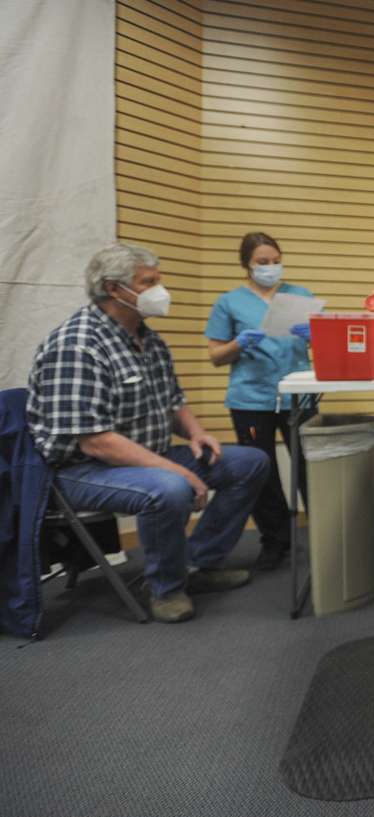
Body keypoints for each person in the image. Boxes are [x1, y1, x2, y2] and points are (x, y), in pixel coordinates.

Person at [26, 243, 268, 623]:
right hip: (82, 470)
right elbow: (95, 440)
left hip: (146, 454)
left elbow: (172, 401)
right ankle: (164, 588)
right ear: (113, 288)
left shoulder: (148, 338)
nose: (160, 291)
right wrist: (177, 471)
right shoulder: (76, 345)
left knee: (249, 463)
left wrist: (196, 433)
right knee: (169, 489)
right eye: (149, 282)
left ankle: (196, 563)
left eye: (159, 281)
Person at [204, 232, 314, 570]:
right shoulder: (229, 302)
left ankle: (326, 535)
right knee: (262, 472)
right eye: (262, 262)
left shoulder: (300, 296)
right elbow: (216, 356)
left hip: (299, 394)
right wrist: (238, 344)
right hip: (251, 398)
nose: (271, 267)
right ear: (246, 266)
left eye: (276, 261)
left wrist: (316, 336)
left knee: (311, 468)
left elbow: (324, 347)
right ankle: (275, 540)